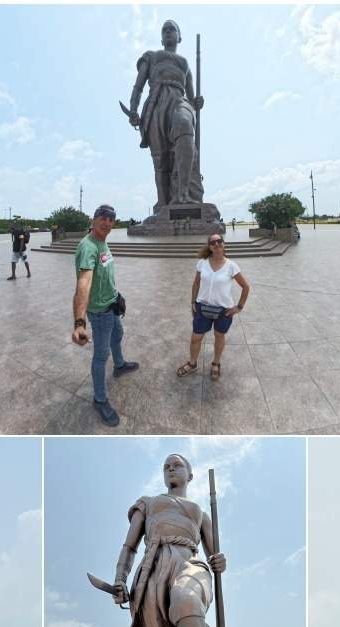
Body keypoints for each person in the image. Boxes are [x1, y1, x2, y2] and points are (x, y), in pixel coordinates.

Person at [113, 454, 227, 627]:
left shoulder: (200, 512)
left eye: (177, 465)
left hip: (189, 562)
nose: (171, 469)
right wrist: (120, 577)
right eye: (166, 466)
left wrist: (220, 561)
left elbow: (214, 555)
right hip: (152, 568)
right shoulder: (148, 504)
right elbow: (129, 547)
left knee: (187, 602)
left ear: (190, 474)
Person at [71, 204, 138, 427]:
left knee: (118, 334)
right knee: (101, 356)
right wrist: (79, 323)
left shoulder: (102, 241)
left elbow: (104, 272)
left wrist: (116, 295)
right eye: (103, 218)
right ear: (94, 219)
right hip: (99, 313)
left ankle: (119, 365)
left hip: (111, 305)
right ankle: (99, 399)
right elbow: (84, 282)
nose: (107, 223)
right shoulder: (88, 247)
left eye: (111, 220)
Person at [127, 20, 204, 210]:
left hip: (179, 101)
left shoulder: (185, 63)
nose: (168, 32)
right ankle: (163, 204)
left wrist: (197, 102)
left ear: (179, 37)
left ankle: (183, 194)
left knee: (185, 126)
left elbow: (191, 97)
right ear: (162, 38)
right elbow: (138, 87)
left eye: (172, 29)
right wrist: (133, 110)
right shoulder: (151, 56)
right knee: (160, 160)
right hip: (156, 104)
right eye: (165, 30)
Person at [177, 234, 250, 381]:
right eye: (213, 242)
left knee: (219, 336)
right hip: (202, 307)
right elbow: (196, 283)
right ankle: (192, 363)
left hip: (224, 311)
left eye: (219, 241)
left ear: (223, 244)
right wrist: (192, 302)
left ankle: (216, 363)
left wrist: (239, 307)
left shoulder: (231, 265)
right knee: (195, 338)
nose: (216, 244)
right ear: (209, 246)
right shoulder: (202, 263)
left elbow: (245, 286)